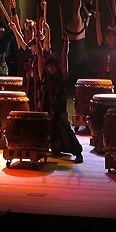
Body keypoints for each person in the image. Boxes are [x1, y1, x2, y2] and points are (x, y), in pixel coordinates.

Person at [36, 30, 84, 163]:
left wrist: (66, 43)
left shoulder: (61, 78)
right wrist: (38, 41)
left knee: (64, 127)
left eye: (53, 65)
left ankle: (78, 153)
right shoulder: (44, 77)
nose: (51, 68)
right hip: (46, 110)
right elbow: (40, 56)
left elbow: (64, 58)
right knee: (41, 128)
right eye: (49, 66)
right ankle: (42, 150)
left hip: (58, 110)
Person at [93, 8, 116, 95]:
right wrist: (97, 20)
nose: (108, 37)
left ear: (115, 37)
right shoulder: (104, 46)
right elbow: (98, 33)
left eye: (111, 36)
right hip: (104, 75)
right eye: (107, 35)